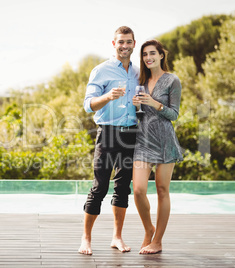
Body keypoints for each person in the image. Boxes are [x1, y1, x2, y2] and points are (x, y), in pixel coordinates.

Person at [79, 26, 139, 255]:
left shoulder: (137, 72)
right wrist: (108, 96)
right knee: (100, 186)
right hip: (108, 133)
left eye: (128, 42)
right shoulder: (101, 71)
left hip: (131, 134)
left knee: (123, 187)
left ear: (134, 44)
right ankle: (86, 239)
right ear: (113, 44)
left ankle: (117, 237)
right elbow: (88, 105)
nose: (124, 46)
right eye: (121, 42)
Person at [131, 39, 183, 254]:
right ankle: (148, 229)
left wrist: (155, 103)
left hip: (164, 140)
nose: (148, 57)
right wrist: (136, 107)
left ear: (162, 55)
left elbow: (174, 114)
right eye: (144, 54)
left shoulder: (172, 80)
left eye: (152, 53)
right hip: (143, 139)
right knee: (138, 190)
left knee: (162, 190)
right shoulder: (140, 80)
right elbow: (140, 116)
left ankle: (158, 241)